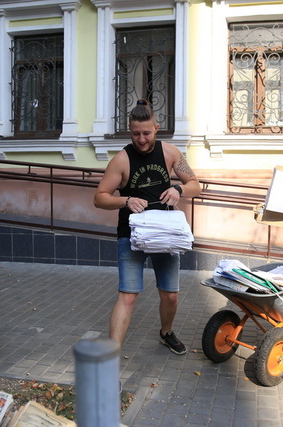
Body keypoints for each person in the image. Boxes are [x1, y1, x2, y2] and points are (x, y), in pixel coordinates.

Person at [93, 99, 201, 355]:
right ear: (129, 131)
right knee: (128, 295)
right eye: (135, 134)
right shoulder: (121, 160)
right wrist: (126, 200)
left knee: (170, 294)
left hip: (165, 233)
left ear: (156, 128)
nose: (141, 139)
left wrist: (178, 189)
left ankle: (166, 332)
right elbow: (99, 198)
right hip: (131, 235)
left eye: (146, 133)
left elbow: (196, 185)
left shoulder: (170, 153)